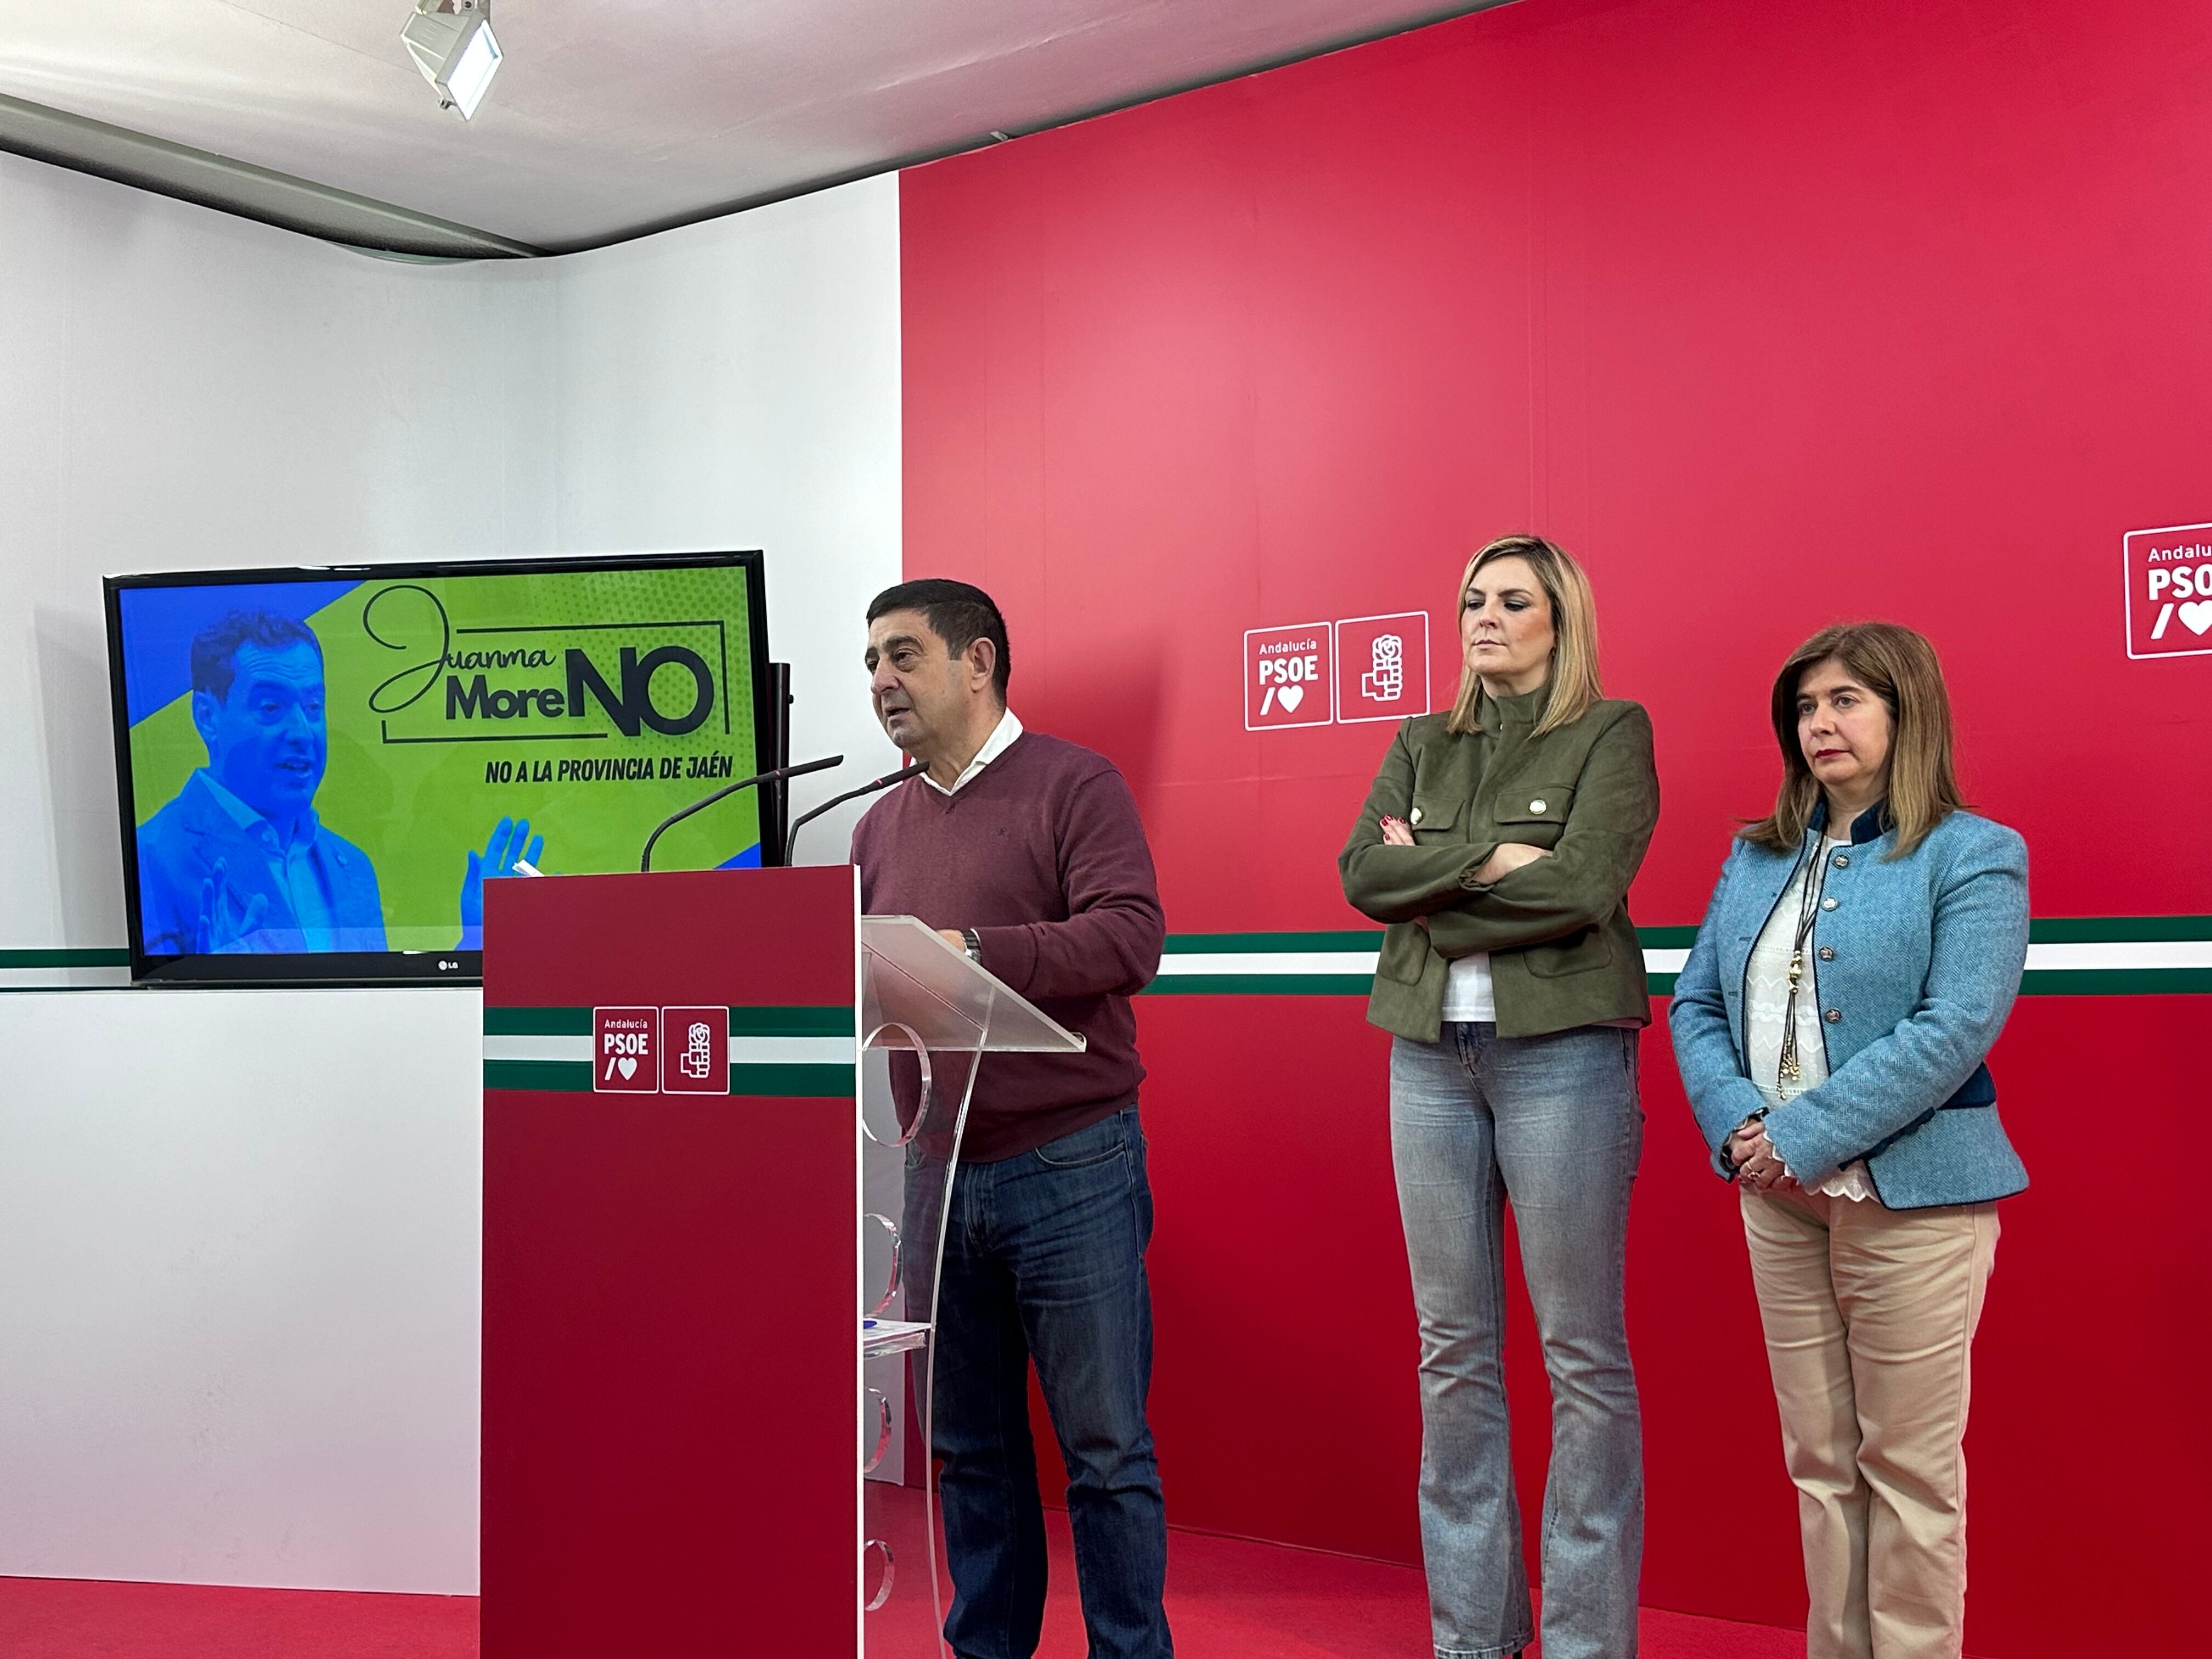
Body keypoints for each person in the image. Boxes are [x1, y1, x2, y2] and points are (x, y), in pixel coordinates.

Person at [1668, 622, 2028, 1659]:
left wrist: (1801, 1133)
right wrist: (1744, 1128)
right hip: (1774, 1198)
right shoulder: (1754, 854)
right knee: (1818, 1462)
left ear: (1904, 712)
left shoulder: (1973, 851)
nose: (1818, 723)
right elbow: (1696, 1003)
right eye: (1804, 706)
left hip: (1913, 1199)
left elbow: (1955, 1025)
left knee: (1909, 1470)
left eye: (1845, 701)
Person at [1339, 534, 1658, 1659]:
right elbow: (1360, 876)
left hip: (1562, 1049)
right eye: (1473, 597)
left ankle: (1584, 1642)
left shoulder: (1611, 731)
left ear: (1558, 620)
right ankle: (1473, 1638)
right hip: (1427, 1052)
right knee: (1452, 1347)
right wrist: (1495, 861)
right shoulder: (1423, 738)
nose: (1484, 616)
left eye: (1512, 601)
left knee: (1581, 1351)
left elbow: (1585, 886)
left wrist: (1432, 869)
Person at [849, 578, 1171, 1659]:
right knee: (970, 1450)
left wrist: (984, 954)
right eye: (872, 666)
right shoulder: (874, 824)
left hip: (1068, 1161)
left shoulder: (1074, 785)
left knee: (1106, 1450)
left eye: (903, 656)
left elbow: (1130, 937)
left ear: (978, 661)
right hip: (934, 1172)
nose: (883, 682)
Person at [135, 610, 542, 956]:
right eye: (272, 707)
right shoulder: (153, 857)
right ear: (207, 717)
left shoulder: (352, 867)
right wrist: (204, 993)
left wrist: (479, 945)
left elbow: (383, 1016)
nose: (301, 731)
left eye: (313, 706)